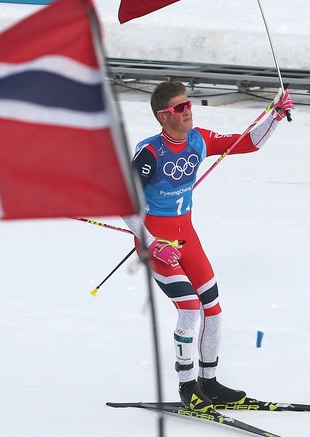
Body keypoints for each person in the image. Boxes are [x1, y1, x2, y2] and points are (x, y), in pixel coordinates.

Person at [123, 80, 293, 412]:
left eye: (188, 105)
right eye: (179, 108)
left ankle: (210, 383)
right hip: (157, 244)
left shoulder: (199, 139)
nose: (187, 112)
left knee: (213, 309)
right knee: (189, 309)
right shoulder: (150, 153)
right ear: (162, 117)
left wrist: (274, 116)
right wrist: (153, 244)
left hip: (188, 238)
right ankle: (188, 387)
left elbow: (246, 143)